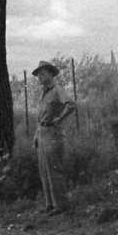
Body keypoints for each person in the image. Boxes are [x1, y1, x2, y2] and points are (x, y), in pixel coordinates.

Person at [32, 60, 75, 214]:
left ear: (50, 73)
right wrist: (36, 136)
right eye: (38, 75)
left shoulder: (57, 90)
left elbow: (71, 105)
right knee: (44, 170)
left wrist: (60, 119)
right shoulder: (44, 93)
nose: (40, 77)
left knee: (54, 170)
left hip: (53, 133)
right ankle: (49, 204)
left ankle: (61, 205)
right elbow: (40, 117)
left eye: (42, 74)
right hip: (42, 133)